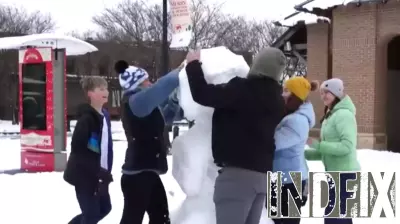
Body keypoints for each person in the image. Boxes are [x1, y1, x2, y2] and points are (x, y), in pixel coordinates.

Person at [185, 48, 286, 224]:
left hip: (238, 178)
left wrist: (193, 65)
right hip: (263, 176)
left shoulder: (242, 89)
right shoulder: (277, 100)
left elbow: (202, 93)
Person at [115, 60, 184, 224]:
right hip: (138, 175)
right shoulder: (135, 101)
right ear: (136, 84)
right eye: (146, 80)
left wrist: (173, 101)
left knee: (160, 217)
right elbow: (161, 88)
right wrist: (182, 69)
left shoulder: (145, 106)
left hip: (146, 173)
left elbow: (167, 117)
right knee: (133, 219)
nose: (150, 83)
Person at [305, 78, 360, 224]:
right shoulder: (332, 114)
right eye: (322, 93)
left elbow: (347, 146)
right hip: (336, 173)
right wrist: (302, 154)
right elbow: (328, 150)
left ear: (337, 93)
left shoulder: (344, 115)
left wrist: (317, 145)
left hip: (344, 175)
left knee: (334, 218)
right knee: (340, 217)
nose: (323, 96)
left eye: (327, 92)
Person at [64, 76, 113, 224]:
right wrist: (98, 171)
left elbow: (105, 146)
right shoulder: (86, 120)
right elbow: (80, 151)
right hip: (85, 175)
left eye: (106, 88)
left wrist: (106, 170)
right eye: (101, 89)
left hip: (101, 174)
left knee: (105, 207)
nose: (106, 91)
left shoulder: (104, 116)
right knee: (91, 214)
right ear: (90, 93)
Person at [269, 77, 318, 224]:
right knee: (276, 219)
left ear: (295, 96)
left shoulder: (297, 121)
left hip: (290, 179)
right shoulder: (290, 115)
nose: (282, 94)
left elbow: (273, 143)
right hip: (281, 176)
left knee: (287, 221)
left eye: (286, 91)